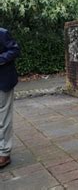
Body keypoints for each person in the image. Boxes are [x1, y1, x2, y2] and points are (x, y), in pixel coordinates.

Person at [0, 28, 21, 169]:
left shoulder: (2, 33)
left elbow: (15, 50)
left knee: (3, 118)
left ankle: (4, 153)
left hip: (3, 81)